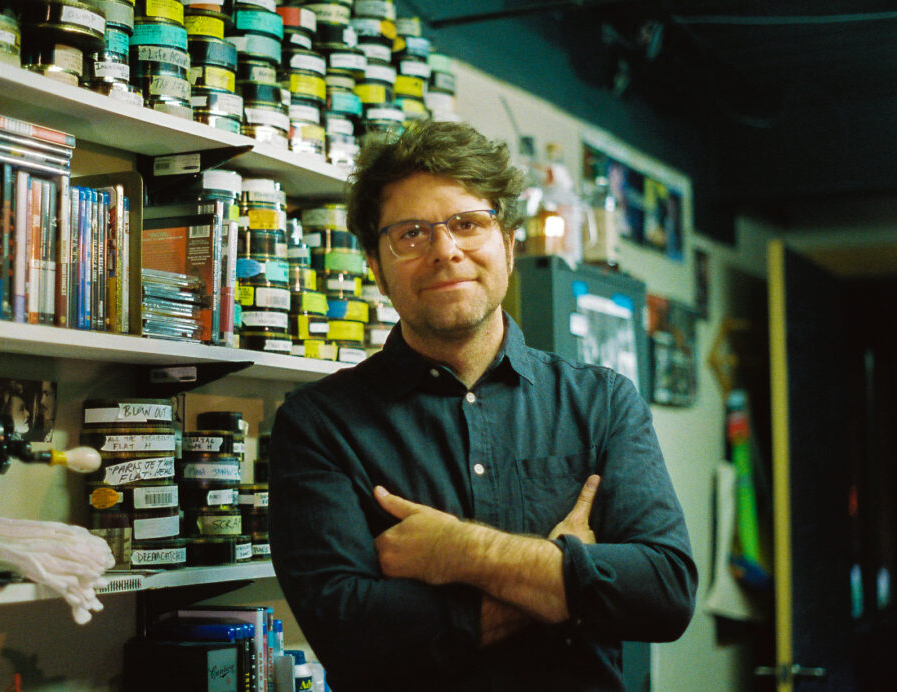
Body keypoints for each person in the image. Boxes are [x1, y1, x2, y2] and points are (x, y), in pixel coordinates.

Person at [268, 121, 697, 691]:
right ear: (375, 265)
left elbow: (664, 593)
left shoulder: (602, 402)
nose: (446, 251)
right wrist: (560, 572)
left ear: (510, 245)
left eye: (468, 223)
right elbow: (353, 635)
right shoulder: (318, 425)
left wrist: (464, 552)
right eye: (412, 234)